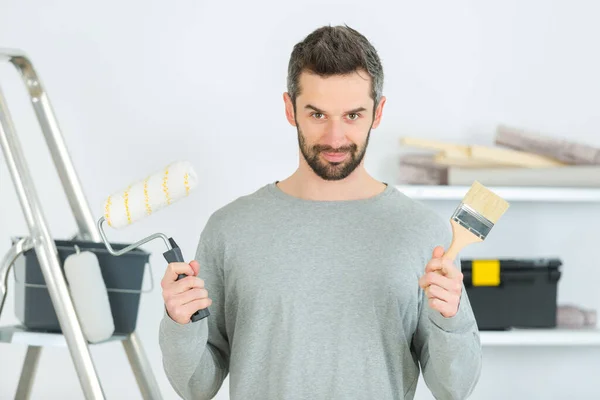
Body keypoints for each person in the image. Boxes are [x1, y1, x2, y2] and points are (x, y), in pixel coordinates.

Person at [159, 24, 482, 400]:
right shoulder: (229, 229)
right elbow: (195, 386)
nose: (334, 138)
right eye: (317, 115)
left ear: (377, 113)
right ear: (289, 108)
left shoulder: (424, 233)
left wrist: (450, 317)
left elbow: (455, 388)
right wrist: (179, 322)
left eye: (352, 115)